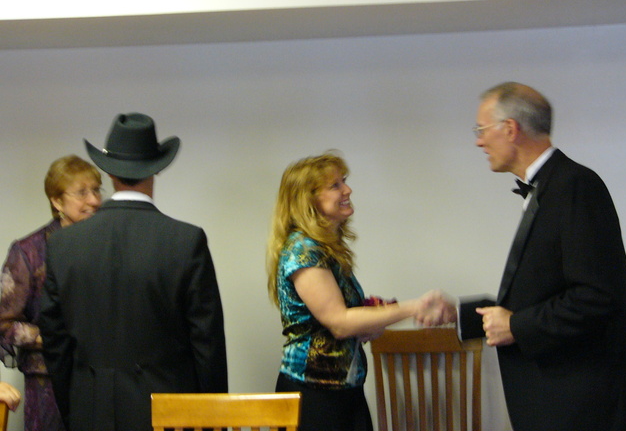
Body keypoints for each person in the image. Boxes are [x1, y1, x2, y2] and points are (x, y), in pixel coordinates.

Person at [426, 82, 626, 431]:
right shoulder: (554, 185)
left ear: (510, 129)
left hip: (583, 407)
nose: (479, 142)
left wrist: (515, 326)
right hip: (566, 402)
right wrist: (461, 314)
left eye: (481, 130)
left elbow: (596, 296)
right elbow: (543, 295)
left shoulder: (575, 186)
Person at [38, 113, 228, 431]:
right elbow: (207, 342)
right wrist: (212, 419)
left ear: (109, 171)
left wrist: (73, 410)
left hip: (90, 411)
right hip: (168, 414)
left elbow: (55, 343)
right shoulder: (185, 241)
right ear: (157, 168)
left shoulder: (62, 245)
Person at [267, 152, 441, 431]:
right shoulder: (303, 250)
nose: (347, 190)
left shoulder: (323, 248)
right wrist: (413, 307)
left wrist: (370, 320)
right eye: (335, 185)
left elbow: (338, 320)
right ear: (308, 199)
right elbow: (339, 323)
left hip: (343, 389)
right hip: (314, 395)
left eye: (344, 181)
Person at [0, 154, 102, 431]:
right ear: (57, 201)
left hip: (100, 379)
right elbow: (5, 324)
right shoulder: (29, 251)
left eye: (96, 190)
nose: (94, 200)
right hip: (48, 382)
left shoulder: (106, 245)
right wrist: (53, 337)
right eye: (82, 192)